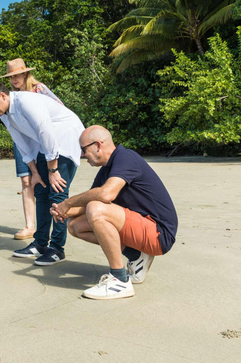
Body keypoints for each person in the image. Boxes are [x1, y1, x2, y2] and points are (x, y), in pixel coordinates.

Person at [51, 126, 178, 300]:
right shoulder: (106, 170)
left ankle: (119, 280)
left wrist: (69, 201)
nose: (82, 155)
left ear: (98, 145)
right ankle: (137, 256)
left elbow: (105, 195)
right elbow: (86, 204)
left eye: (83, 149)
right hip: (142, 226)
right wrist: (62, 210)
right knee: (75, 226)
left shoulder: (126, 157)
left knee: (96, 209)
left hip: (159, 233)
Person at [0, 81, 84, 266]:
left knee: (57, 193)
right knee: (40, 191)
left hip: (65, 140)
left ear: (3, 96)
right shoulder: (4, 114)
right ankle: (40, 244)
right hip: (46, 147)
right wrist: (35, 173)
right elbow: (22, 144)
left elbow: (47, 133)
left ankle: (57, 249)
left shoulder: (27, 102)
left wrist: (52, 170)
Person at [1, 58, 64, 241]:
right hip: (22, 142)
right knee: (26, 181)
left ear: (25, 73)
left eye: (17, 75)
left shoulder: (39, 89)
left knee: (47, 182)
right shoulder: (10, 95)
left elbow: (59, 109)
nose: (14, 80)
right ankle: (30, 225)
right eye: (10, 76)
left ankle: (51, 226)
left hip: (42, 141)